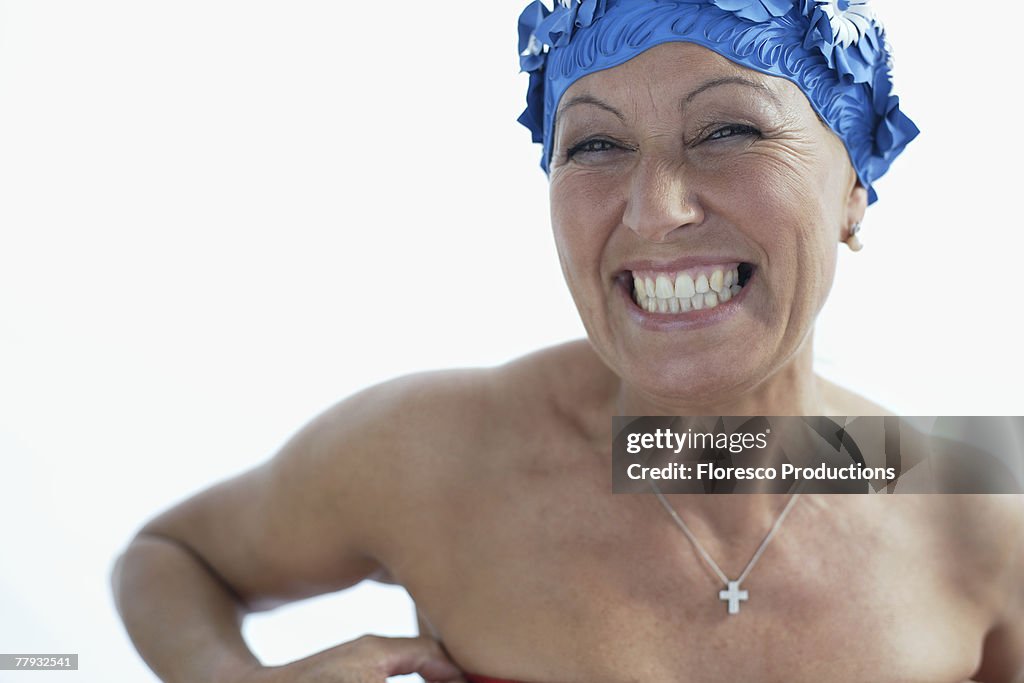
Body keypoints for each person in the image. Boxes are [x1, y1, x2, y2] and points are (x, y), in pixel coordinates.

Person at [111, 1, 1024, 681]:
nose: (654, 210)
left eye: (729, 130)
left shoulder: (978, 518)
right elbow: (169, 557)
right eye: (594, 146)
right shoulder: (433, 451)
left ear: (856, 190)